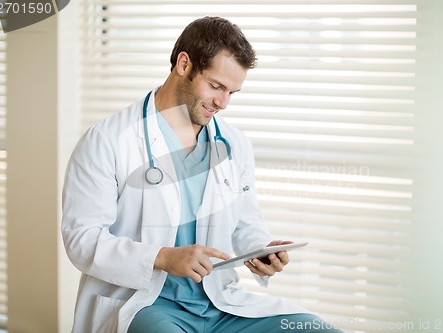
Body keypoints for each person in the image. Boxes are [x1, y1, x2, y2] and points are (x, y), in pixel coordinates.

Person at [62, 16, 342, 333]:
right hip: (146, 304)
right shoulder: (108, 139)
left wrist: (262, 250)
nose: (222, 103)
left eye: (232, 92)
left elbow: (246, 225)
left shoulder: (233, 143)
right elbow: (81, 239)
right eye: (216, 86)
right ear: (184, 64)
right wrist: (163, 257)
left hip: (220, 304)